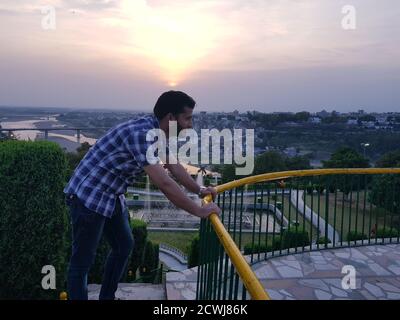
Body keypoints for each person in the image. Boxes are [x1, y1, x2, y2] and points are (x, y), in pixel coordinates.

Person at [64, 90, 221, 300]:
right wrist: (199, 211)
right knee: (82, 262)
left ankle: (106, 298)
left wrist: (199, 190)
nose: (190, 124)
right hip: (89, 196)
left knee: (123, 245)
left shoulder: (156, 132)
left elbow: (174, 166)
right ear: (171, 118)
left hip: (111, 194)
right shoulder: (142, 135)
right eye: (187, 118)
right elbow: (165, 183)